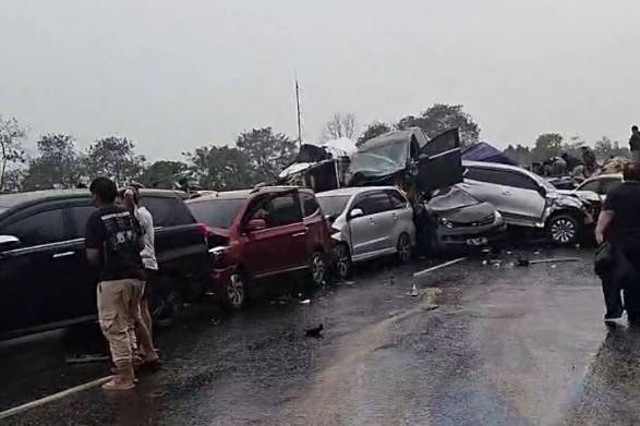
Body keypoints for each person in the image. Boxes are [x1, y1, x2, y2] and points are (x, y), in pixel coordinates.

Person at [85, 177, 156, 390]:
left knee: (114, 326)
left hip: (114, 278)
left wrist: (104, 263)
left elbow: (92, 255)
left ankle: (125, 376)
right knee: (134, 317)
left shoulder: (96, 219)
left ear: (96, 195)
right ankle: (149, 353)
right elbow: (142, 243)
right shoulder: (128, 214)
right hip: (137, 275)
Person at [595, 162, 640, 324]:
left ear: (624, 176)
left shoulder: (615, 192)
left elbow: (607, 214)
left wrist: (599, 233)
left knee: (614, 275)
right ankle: (635, 311)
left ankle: (614, 309)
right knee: (636, 278)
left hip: (618, 243)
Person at [120, 187, 159, 360]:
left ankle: (145, 346)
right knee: (142, 308)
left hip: (143, 262)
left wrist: (128, 200)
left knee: (140, 309)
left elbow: (135, 226)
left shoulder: (140, 215)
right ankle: (145, 345)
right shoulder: (146, 213)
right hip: (147, 262)